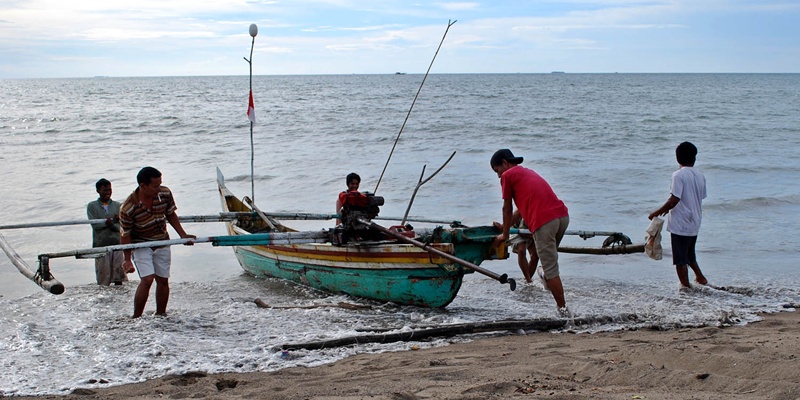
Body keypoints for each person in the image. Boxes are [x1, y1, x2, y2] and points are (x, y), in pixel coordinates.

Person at [491, 149, 570, 312]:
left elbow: (507, 207)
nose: (498, 176)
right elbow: (520, 211)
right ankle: (543, 276)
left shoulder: (508, 175)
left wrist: (505, 235)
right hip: (562, 217)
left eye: (497, 171)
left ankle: (564, 313)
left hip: (545, 222)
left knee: (551, 269)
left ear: (505, 163)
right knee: (548, 267)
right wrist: (505, 226)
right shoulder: (527, 173)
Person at [119, 167, 195, 318]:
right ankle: (136, 317)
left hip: (162, 240)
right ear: (143, 186)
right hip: (141, 244)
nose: (158, 189)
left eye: (160, 184)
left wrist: (183, 235)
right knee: (147, 279)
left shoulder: (164, 194)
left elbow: (171, 214)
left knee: (163, 279)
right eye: (155, 186)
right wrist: (127, 260)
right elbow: (125, 235)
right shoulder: (128, 208)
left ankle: (161, 314)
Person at [648, 141, 708, 288]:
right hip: (695, 220)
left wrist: (656, 212)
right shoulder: (700, 175)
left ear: (677, 158)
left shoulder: (678, 175)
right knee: (689, 253)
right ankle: (700, 278)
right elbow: (697, 197)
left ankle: (685, 289)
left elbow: (674, 199)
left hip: (681, 222)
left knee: (680, 259)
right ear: (694, 158)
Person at [87, 178, 127, 286]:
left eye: (109, 190)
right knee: (103, 275)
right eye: (105, 190)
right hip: (101, 243)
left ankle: (120, 297)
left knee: (119, 273)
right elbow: (95, 225)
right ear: (98, 191)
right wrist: (107, 223)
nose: (108, 192)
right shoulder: (92, 206)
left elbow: (121, 227)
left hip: (116, 242)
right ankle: (104, 299)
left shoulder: (117, 206)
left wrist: (114, 223)